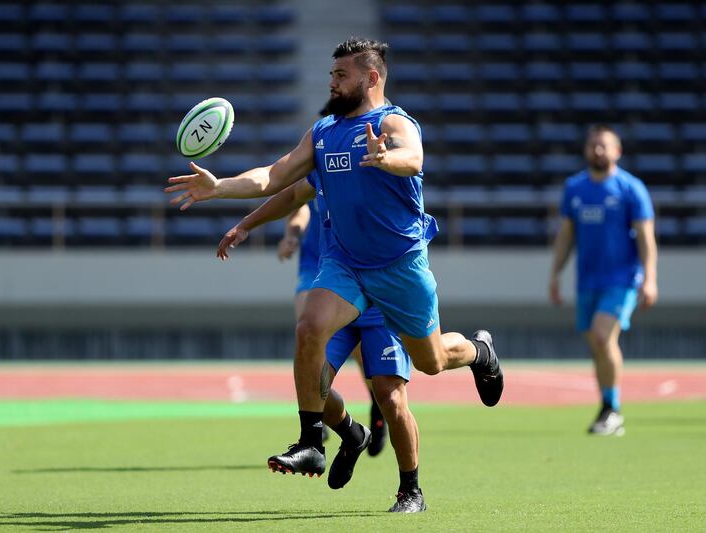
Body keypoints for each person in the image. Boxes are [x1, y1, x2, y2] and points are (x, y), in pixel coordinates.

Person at [165, 36, 503, 492]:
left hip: (399, 265)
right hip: (345, 263)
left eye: (341, 75)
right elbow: (276, 176)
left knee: (432, 360)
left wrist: (388, 158)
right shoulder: (323, 132)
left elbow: (414, 156)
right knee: (309, 328)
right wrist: (220, 187)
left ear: (372, 77)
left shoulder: (394, 122)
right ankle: (312, 441)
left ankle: (479, 351)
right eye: (331, 74)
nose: (332, 82)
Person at [219, 169, 425, 512]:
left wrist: (393, 156)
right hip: (338, 291)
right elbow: (289, 193)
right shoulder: (330, 158)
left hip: (383, 298)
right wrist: (246, 222)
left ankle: (411, 489)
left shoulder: (387, 163)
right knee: (312, 378)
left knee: (391, 396)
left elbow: (412, 160)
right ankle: (349, 433)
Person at [549, 124, 658, 436]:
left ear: (617, 151)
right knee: (596, 345)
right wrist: (555, 274)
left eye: (604, 146)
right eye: (593, 145)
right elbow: (566, 235)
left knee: (602, 335)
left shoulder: (630, 188)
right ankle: (607, 406)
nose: (598, 150)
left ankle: (613, 409)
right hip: (588, 281)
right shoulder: (575, 188)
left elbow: (646, 239)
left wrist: (650, 279)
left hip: (622, 279)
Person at [278, 154, 388, 456]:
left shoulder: (356, 160)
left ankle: (378, 406)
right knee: (309, 332)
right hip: (314, 262)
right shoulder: (316, 156)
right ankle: (318, 420)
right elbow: (297, 205)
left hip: (345, 261)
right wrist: (292, 235)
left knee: (357, 350)